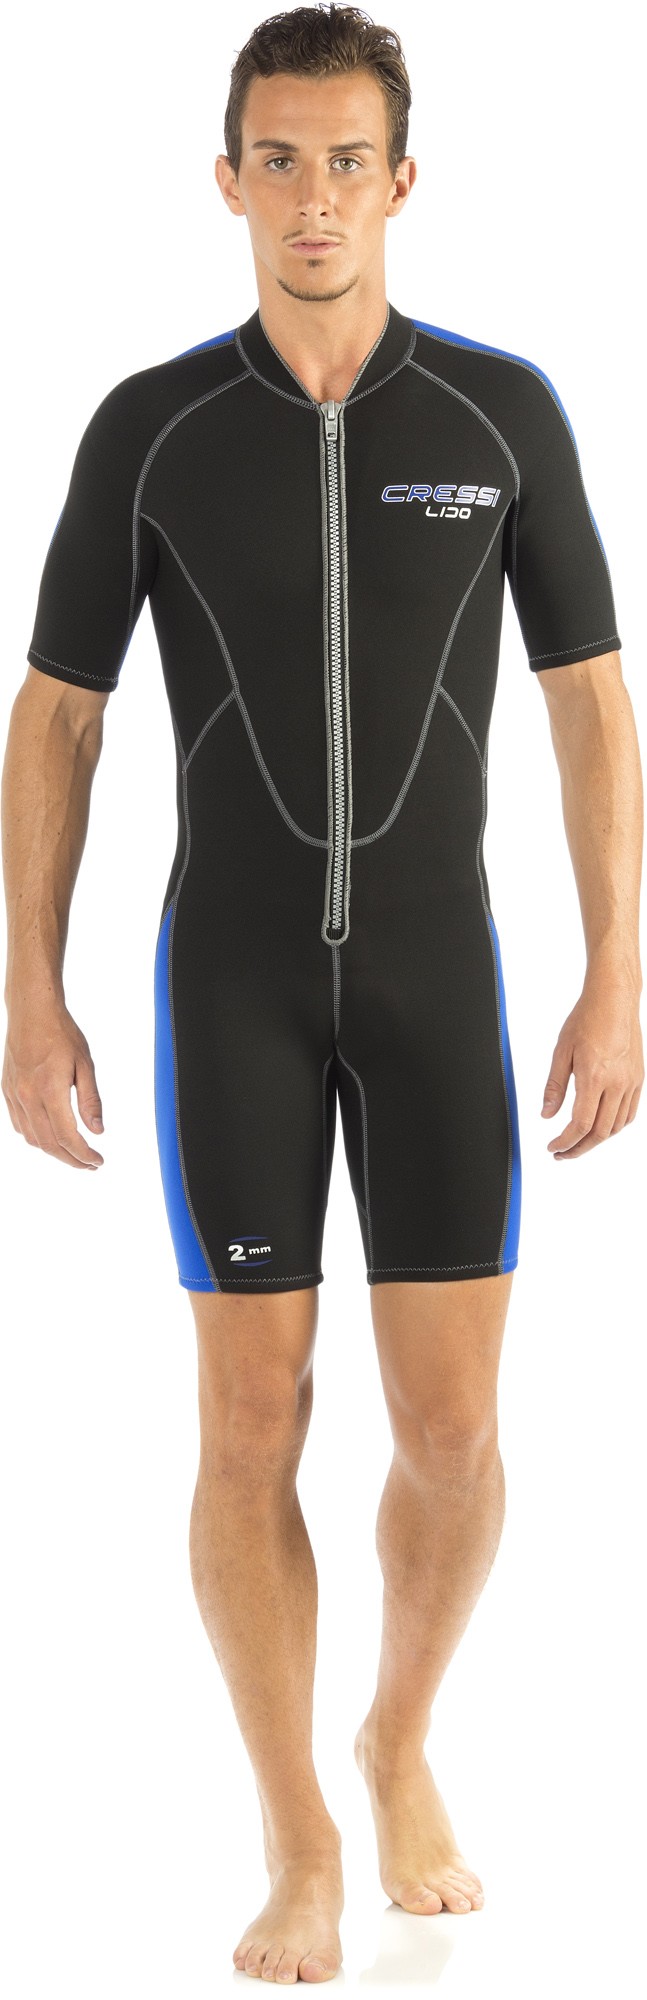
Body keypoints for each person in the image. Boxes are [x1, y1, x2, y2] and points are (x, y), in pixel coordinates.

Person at [2, 2, 643, 1985]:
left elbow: (591, 706)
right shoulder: (151, 429)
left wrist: (619, 970)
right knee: (247, 1415)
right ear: (227, 180)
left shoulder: (502, 417)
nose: (311, 196)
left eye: (345, 160)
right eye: (276, 159)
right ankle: (294, 1829)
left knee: (454, 1431)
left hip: (445, 981)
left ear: (401, 180)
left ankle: (399, 1738)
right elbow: (56, 720)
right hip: (235, 985)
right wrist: (29, 989)